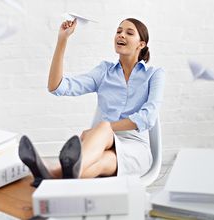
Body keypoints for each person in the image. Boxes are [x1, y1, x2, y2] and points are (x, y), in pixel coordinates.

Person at [19, 18, 165, 187]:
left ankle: (50, 172)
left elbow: (148, 118)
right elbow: (56, 87)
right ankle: (54, 178)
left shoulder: (154, 74)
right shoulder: (104, 72)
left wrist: (106, 128)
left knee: (104, 127)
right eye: (118, 31)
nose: (121, 35)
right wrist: (62, 39)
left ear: (141, 44)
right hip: (99, 148)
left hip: (135, 149)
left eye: (129, 33)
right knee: (101, 162)